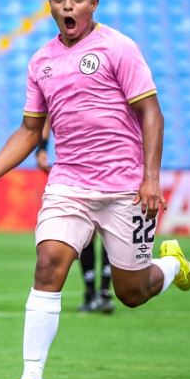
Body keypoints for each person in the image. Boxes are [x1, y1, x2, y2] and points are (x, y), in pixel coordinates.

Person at [0, 0, 190, 379]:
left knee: (131, 293)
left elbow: (152, 113)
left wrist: (151, 178)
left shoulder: (119, 47)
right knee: (48, 266)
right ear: (50, 5)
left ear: (93, 3)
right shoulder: (41, 61)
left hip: (125, 188)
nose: (68, 6)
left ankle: (173, 266)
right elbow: (30, 130)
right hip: (70, 185)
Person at [36, 119, 114, 314]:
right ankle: (94, 293)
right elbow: (46, 117)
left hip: (111, 170)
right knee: (90, 232)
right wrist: (42, 148)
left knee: (109, 232)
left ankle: (101, 293)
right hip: (77, 172)